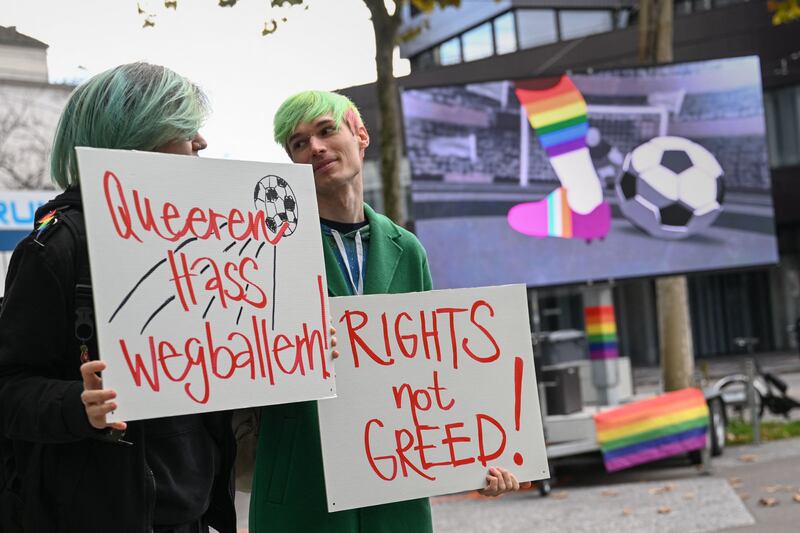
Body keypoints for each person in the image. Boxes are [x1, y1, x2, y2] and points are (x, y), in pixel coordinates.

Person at [248, 90, 528, 532]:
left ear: (360, 135)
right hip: (305, 477)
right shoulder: (270, 249)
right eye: (298, 144)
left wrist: (483, 461)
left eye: (325, 131)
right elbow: (240, 360)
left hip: (393, 481)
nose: (315, 147)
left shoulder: (407, 249)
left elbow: (439, 369)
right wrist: (291, 350)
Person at [0, 63, 236, 533]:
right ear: (139, 133)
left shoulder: (196, 242)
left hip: (189, 516)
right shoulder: (56, 248)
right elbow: (9, 387)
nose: (201, 143)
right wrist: (76, 404)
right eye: (186, 128)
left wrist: (297, 353)